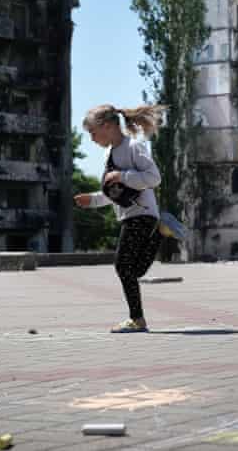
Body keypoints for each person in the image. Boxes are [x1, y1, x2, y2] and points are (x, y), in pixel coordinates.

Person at [74, 103, 166, 333]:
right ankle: (160, 235)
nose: (92, 139)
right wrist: (93, 201)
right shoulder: (109, 153)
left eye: (93, 133)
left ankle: (137, 319)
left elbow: (154, 178)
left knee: (123, 266)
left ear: (107, 126)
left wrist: (123, 175)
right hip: (129, 214)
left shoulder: (134, 146)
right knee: (132, 270)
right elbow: (114, 192)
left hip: (142, 213)